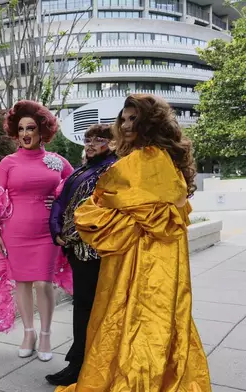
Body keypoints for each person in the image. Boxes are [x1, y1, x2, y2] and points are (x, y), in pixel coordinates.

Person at [57, 94, 210, 391]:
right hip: (164, 261)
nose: (126, 125)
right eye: (124, 118)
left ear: (149, 123)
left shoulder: (136, 164)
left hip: (134, 257)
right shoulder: (166, 162)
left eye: (133, 119)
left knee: (128, 317)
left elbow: (93, 211)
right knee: (161, 319)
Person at [0, 100, 74, 360]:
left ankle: (45, 335)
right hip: (16, 233)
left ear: (43, 130)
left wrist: (58, 200)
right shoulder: (7, 163)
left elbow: (75, 189)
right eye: (20, 129)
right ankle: (28, 333)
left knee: (44, 283)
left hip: (47, 233)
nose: (25, 134)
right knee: (22, 283)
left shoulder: (56, 161)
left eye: (30, 128)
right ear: (15, 132)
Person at [45, 124, 117, 386]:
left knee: (89, 308)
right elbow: (61, 201)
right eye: (87, 139)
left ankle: (82, 366)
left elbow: (100, 211)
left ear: (112, 143)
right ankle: (77, 363)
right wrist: (56, 231)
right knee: (83, 307)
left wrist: (71, 235)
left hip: (94, 252)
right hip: (76, 250)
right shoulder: (83, 169)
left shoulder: (112, 170)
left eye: (98, 139)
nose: (90, 144)